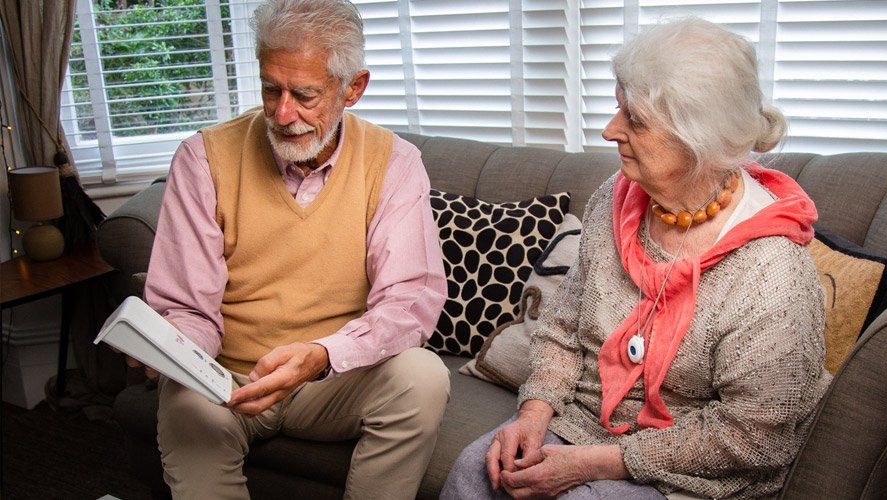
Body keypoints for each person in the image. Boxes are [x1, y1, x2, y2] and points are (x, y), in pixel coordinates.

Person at [442, 17, 831, 500]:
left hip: (691, 465)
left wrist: (592, 465)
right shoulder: (614, 198)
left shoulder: (772, 273)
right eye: (618, 109)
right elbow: (563, 329)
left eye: (636, 120)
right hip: (586, 423)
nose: (610, 130)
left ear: (698, 139)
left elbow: (753, 438)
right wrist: (534, 412)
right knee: (474, 473)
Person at [127, 0, 450, 498]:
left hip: (333, 377)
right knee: (183, 404)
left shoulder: (396, 163)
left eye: (304, 95)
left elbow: (409, 301)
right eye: (270, 89)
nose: (282, 113)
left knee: (423, 377)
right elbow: (189, 306)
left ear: (353, 89)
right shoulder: (203, 158)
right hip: (227, 380)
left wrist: (321, 354)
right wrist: (168, 346)